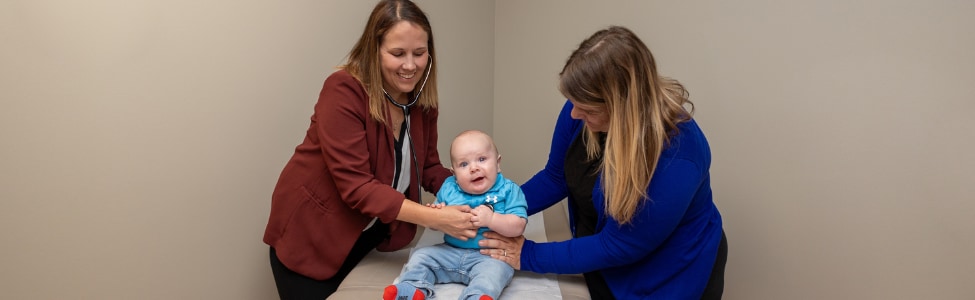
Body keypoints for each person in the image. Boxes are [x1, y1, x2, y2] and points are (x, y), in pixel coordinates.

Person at [478, 26, 728, 300]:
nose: (574, 113)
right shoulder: (581, 107)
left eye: (587, 109)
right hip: (601, 250)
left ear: (622, 109)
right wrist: (495, 206)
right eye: (573, 103)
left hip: (667, 274)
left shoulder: (679, 155)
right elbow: (555, 177)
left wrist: (527, 254)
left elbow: (617, 246)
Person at [262, 1, 478, 299]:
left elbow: (427, 168)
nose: (410, 65)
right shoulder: (343, 91)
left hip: (369, 234)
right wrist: (436, 219)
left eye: (419, 53)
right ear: (374, 50)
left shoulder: (421, 101)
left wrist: (473, 192)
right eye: (397, 53)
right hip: (312, 237)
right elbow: (358, 186)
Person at [384, 130, 528, 300]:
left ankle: (476, 295)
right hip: (450, 252)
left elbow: (518, 225)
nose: (474, 168)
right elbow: (436, 220)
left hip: (488, 256)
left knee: (497, 272)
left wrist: (492, 219)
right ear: (454, 173)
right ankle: (413, 287)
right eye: (464, 164)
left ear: (498, 163)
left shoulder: (509, 190)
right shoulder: (449, 187)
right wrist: (435, 214)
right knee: (421, 256)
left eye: (482, 159)